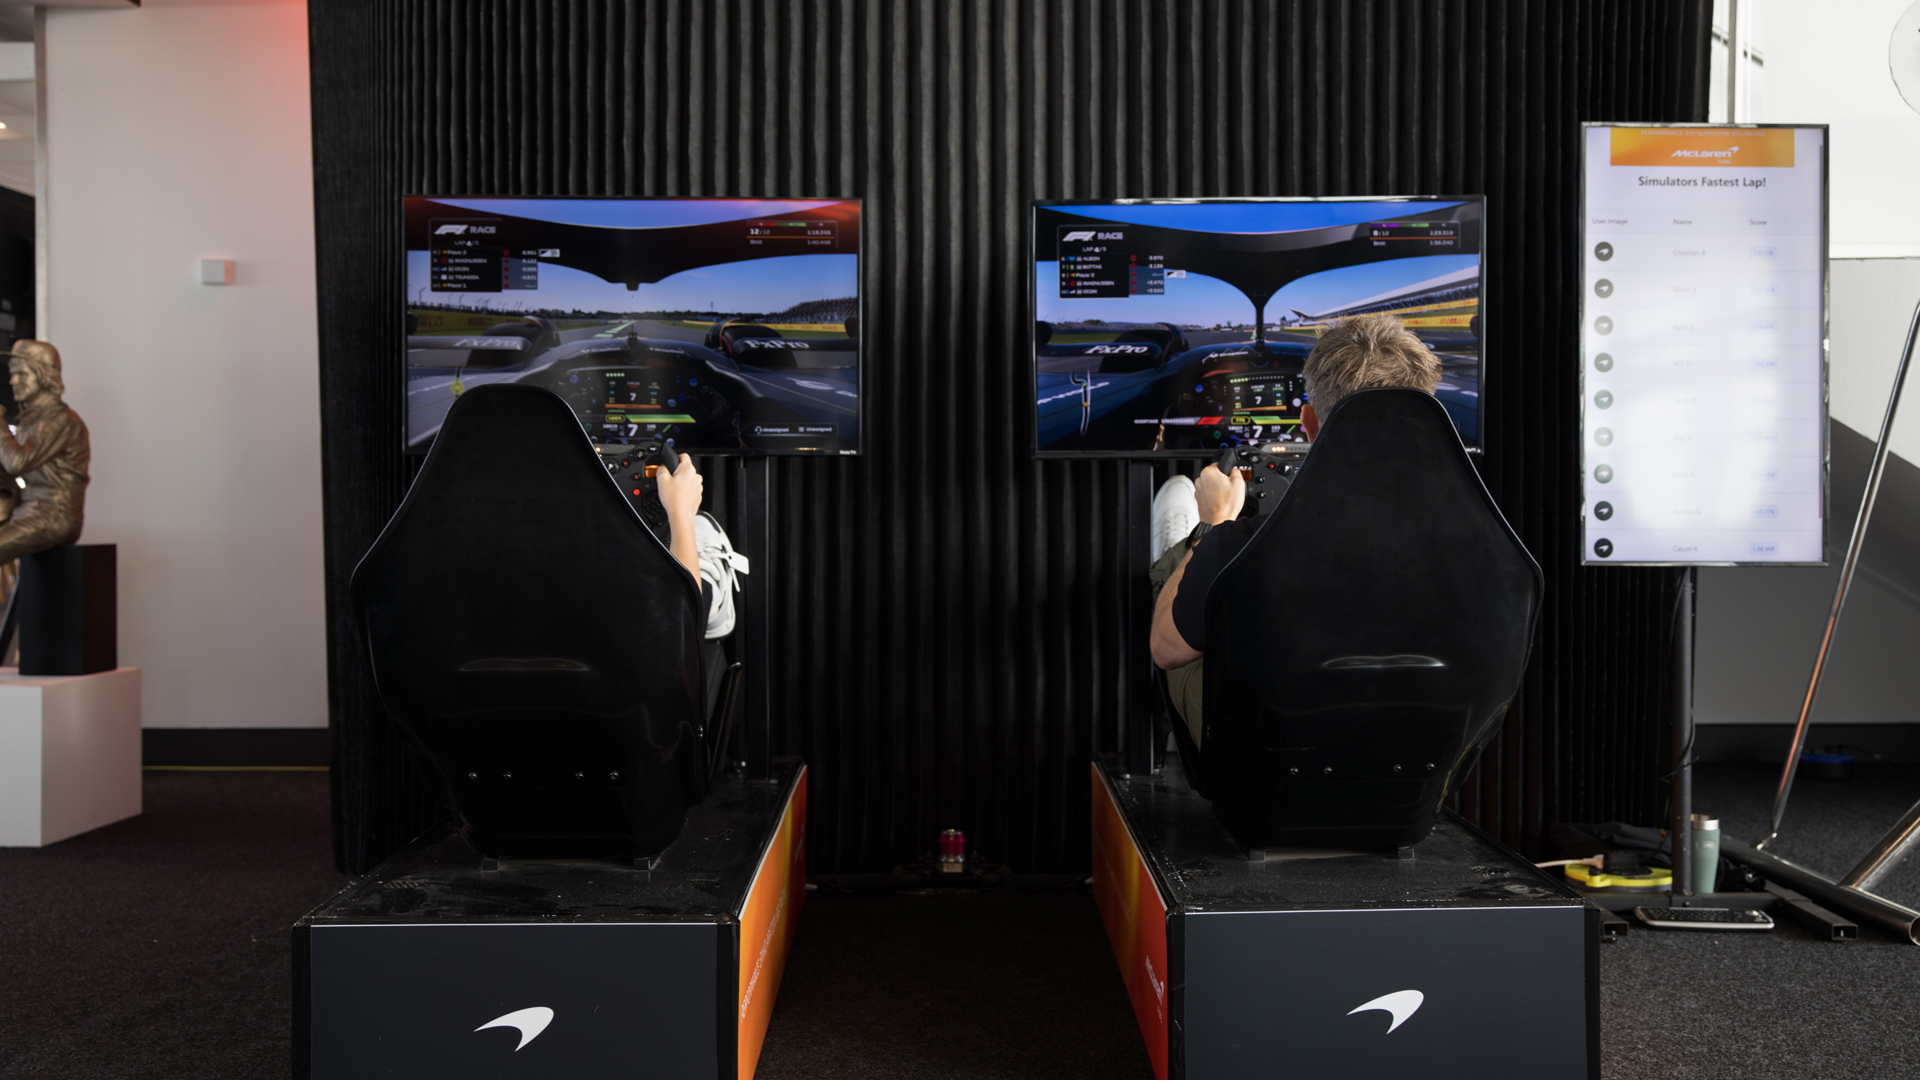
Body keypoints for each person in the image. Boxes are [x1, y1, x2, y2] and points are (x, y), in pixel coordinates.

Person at [1147, 313, 1444, 748]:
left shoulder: (1239, 543)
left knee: (1182, 629)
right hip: (1416, 760)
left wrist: (1215, 526)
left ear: (1309, 423)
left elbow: (1165, 650)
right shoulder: (1478, 543)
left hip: (1265, 771)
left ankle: (1176, 560)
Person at [0, 340, 90, 563]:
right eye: (12, 374)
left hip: (55, 515)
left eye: (21, 374)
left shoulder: (61, 421)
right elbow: (11, 473)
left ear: (43, 374)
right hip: (27, 510)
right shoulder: (30, 422)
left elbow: (17, 463)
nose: (12, 381)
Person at [651, 452, 749, 639]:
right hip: (668, 654)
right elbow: (680, 629)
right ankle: (709, 598)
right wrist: (681, 511)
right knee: (683, 611)